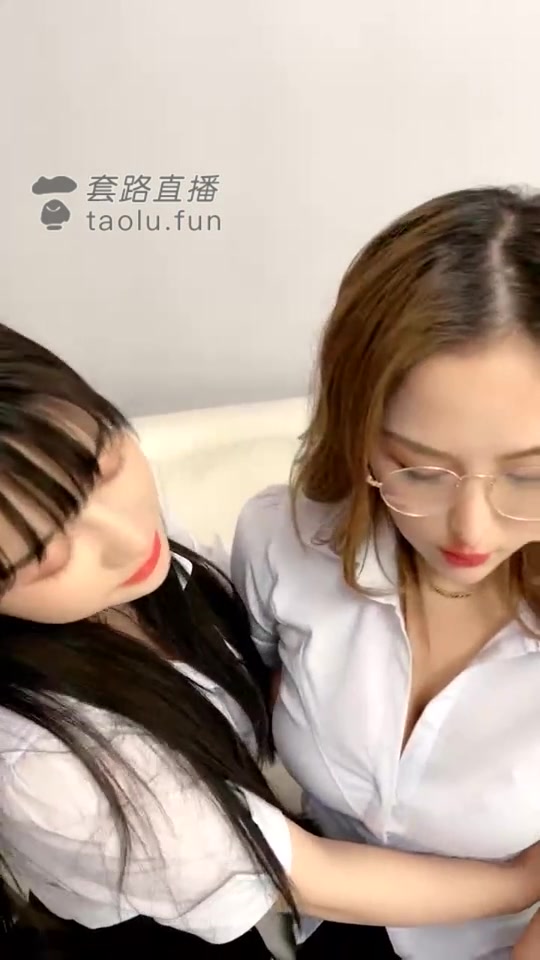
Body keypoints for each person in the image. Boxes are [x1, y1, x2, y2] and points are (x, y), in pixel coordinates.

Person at [0, 327, 537, 960]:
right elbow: (300, 874)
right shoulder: (40, 767)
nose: (128, 535)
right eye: (50, 557)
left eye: (104, 465)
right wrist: (519, 881)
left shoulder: (151, 559)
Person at [231, 186, 540, 960]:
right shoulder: (283, 541)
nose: (471, 530)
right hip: (332, 921)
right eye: (418, 469)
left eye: (530, 476)